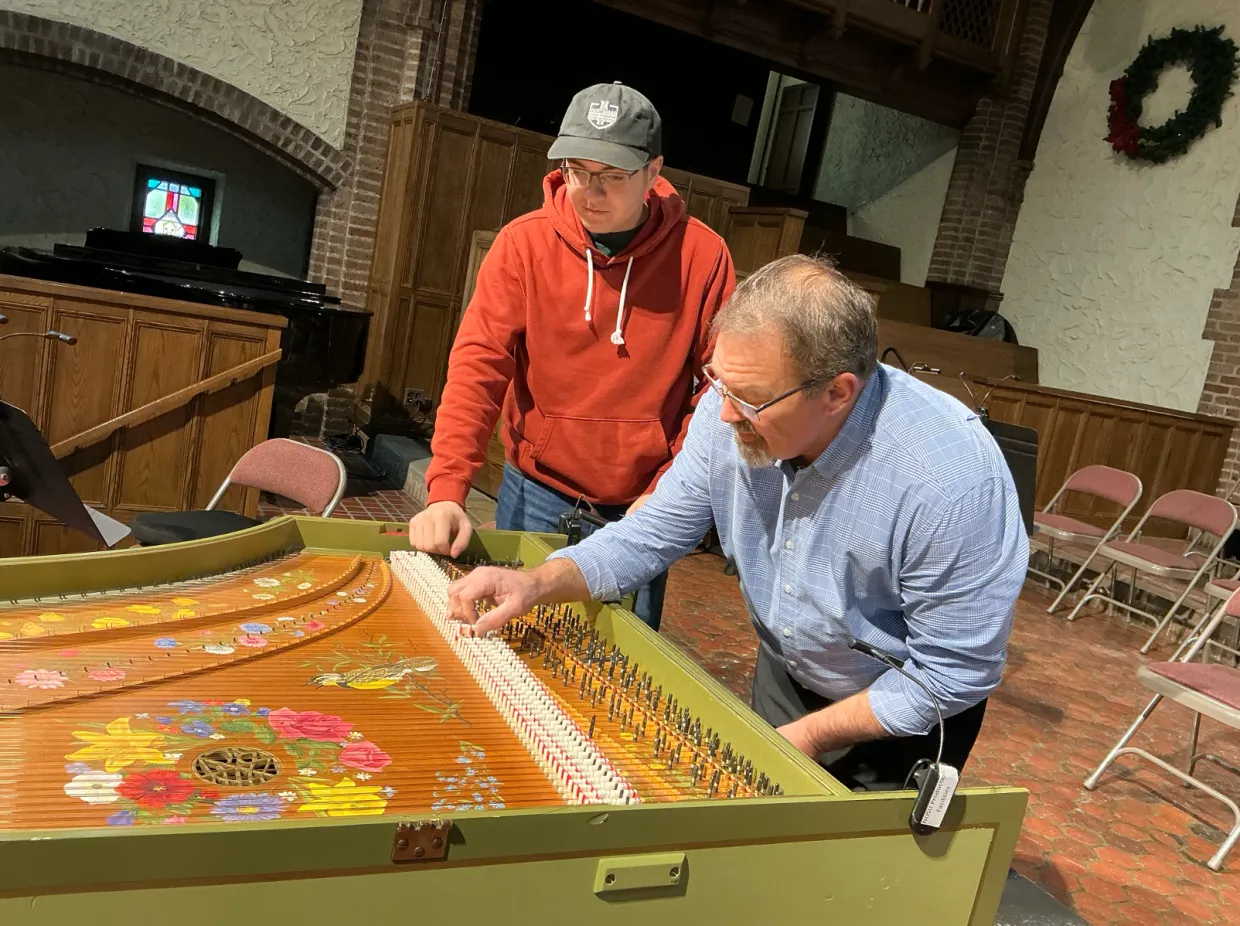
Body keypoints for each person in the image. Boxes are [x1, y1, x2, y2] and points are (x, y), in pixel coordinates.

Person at [440, 254, 1029, 790]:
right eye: (716, 382)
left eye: (748, 398)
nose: (722, 414)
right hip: (790, 659)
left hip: (901, 714)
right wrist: (539, 583)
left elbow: (950, 674)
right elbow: (656, 529)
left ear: (837, 393)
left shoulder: (950, 480)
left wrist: (810, 737)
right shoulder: (734, 409)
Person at [408, 81, 735, 633]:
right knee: (512, 643)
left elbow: (714, 390)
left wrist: (663, 496)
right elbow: (477, 368)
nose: (590, 191)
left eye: (613, 176)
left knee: (611, 665)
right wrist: (446, 490)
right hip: (536, 487)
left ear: (654, 172)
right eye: (579, 171)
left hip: (641, 505)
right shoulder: (523, 243)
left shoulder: (703, 256)